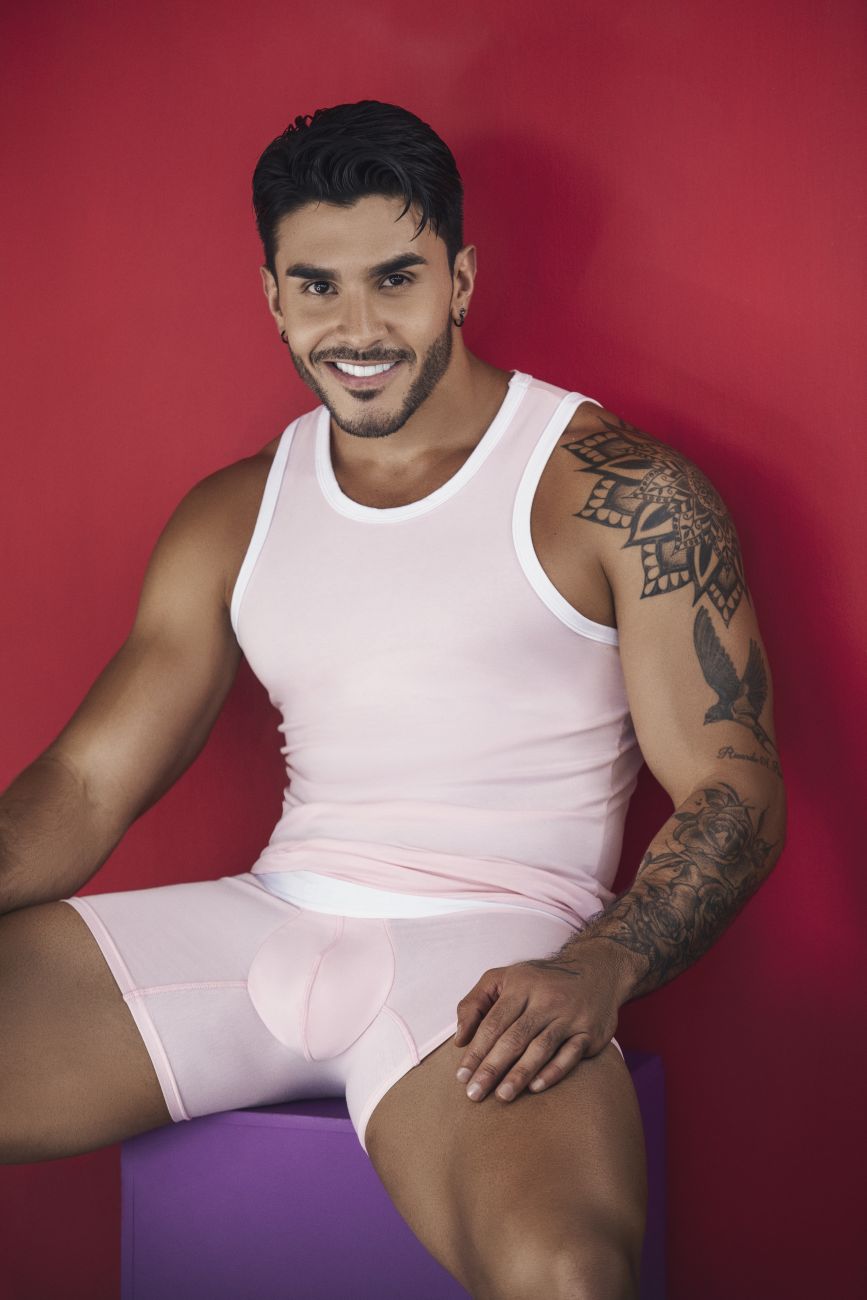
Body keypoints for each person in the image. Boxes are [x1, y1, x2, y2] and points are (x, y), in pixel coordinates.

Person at [0, 99, 786, 1299]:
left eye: (397, 279)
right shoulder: (235, 512)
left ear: (460, 280)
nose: (358, 328)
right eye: (317, 286)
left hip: (494, 959)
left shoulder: (619, 492)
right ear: (272, 296)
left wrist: (600, 967)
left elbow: (736, 788)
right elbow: (88, 781)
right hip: (256, 930)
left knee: (567, 1274)